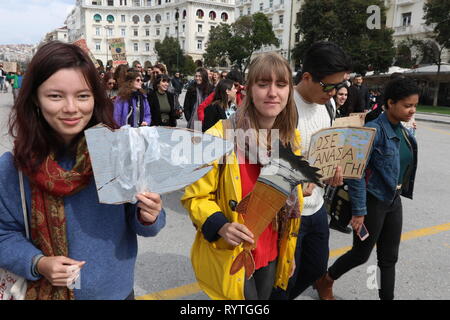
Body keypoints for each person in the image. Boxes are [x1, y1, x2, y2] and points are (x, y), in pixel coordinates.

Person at [0, 41, 166, 300]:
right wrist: (37, 262)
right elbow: (3, 234)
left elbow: (146, 225)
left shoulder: (118, 153)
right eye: (55, 96)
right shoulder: (14, 168)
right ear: (35, 98)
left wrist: (150, 214)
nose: (71, 108)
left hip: (117, 293)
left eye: (83, 96)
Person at [181, 52, 304, 300]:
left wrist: (304, 186)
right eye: (263, 84)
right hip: (233, 250)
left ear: (289, 91)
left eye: (281, 85)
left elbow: (289, 196)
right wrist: (221, 226)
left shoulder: (290, 139)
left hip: (271, 246)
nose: (272, 92)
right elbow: (195, 196)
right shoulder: (219, 136)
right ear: (247, 89)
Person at [315, 77, 419, 300]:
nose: (412, 111)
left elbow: (402, 162)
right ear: (390, 103)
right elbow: (355, 175)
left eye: (414, 106)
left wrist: (411, 135)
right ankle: (326, 279)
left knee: (389, 258)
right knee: (361, 254)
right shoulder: (370, 131)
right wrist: (359, 211)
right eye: (407, 105)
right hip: (372, 202)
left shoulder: (404, 132)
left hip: (393, 200)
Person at [270, 41, 351, 300]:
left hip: (316, 208)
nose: (334, 92)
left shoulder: (328, 106)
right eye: (329, 86)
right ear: (307, 77)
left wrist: (333, 169)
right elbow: (266, 159)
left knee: (315, 268)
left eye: (339, 86)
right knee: (282, 280)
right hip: (286, 212)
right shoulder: (282, 106)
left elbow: (322, 152)